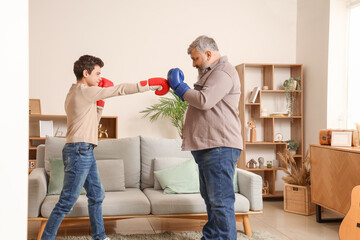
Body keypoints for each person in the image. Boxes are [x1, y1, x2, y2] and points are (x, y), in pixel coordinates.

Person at [41, 55, 169, 240]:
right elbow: (120, 90)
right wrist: (150, 83)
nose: (100, 78)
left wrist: (100, 104)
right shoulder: (85, 91)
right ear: (85, 73)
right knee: (67, 201)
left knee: (96, 195)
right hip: (79, 150)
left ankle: (99, 236)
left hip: (83, 150)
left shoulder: (75, 92)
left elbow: (93, 122)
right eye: (97, 73)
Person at [167, 36, 243, 240]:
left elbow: (204, 100)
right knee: (211, 199)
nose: (193, 64)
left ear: (208, 54)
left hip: (220, 145)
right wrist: (178, 90)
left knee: (220, 201)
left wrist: (180, 87)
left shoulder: (224, 71)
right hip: (210, 146)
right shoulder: (211, 74)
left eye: (196, 59)